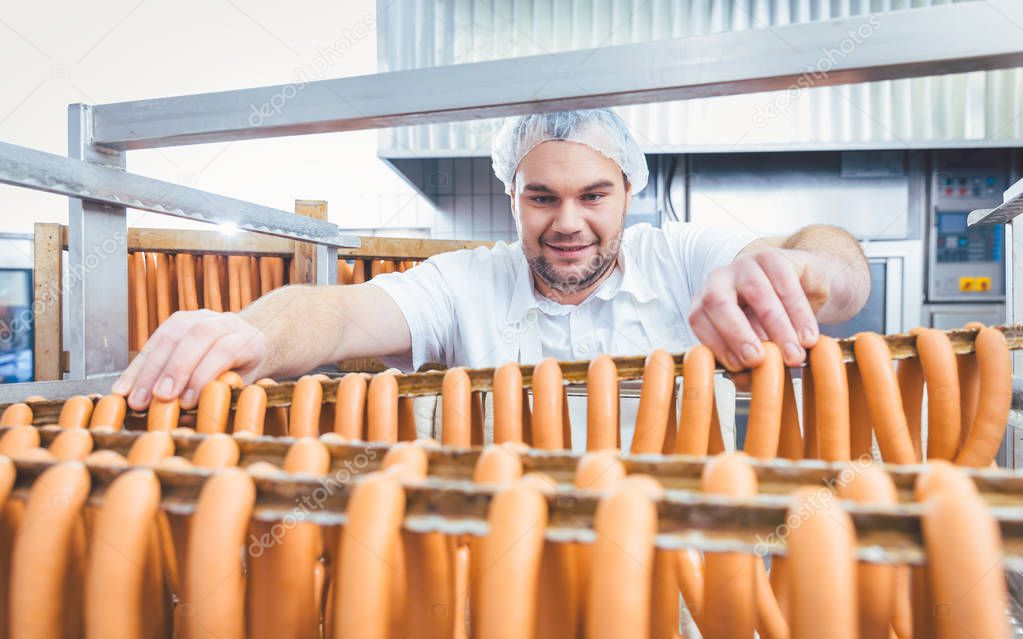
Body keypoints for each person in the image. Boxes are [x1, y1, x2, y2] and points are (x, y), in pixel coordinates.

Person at [112, 109, 870, 412]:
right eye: (541, 197)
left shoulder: (683, 255)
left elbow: (836, 264)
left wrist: (799, 272)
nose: (567, 223)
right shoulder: (465, 281)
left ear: (630, 191)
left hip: (679, 578)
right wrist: (254, 333)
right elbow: (336, 312)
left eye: (593, 196)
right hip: (497, 580)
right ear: (510, 196)